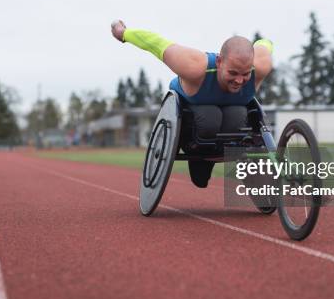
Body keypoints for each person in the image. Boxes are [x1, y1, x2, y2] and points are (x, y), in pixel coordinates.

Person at [110, 20, 274, 187]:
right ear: (219, 62)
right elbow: (156, 43)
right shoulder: (195, 66)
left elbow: (264, 44)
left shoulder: (261, 66)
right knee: (210, 116)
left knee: (238, 114)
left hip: (231, 122)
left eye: (245, 74)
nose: (239, 80)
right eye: (232, 72)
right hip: (193, 118)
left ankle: (229, 160)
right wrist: (124, 33)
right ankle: (199, 157)